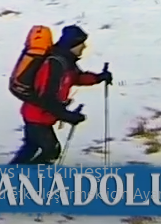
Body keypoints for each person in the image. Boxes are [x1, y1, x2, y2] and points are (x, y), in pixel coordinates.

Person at [11, 25, 109, 165]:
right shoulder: (55, 63)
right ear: (73, 44)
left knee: (32, 148)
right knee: (51, 151)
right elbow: (47, 98)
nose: (85, 46)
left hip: (37, 115)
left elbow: (76, 77)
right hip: (38, 116)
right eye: (82, 43)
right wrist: (67, 116)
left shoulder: (66, 60)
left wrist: (99, 78)